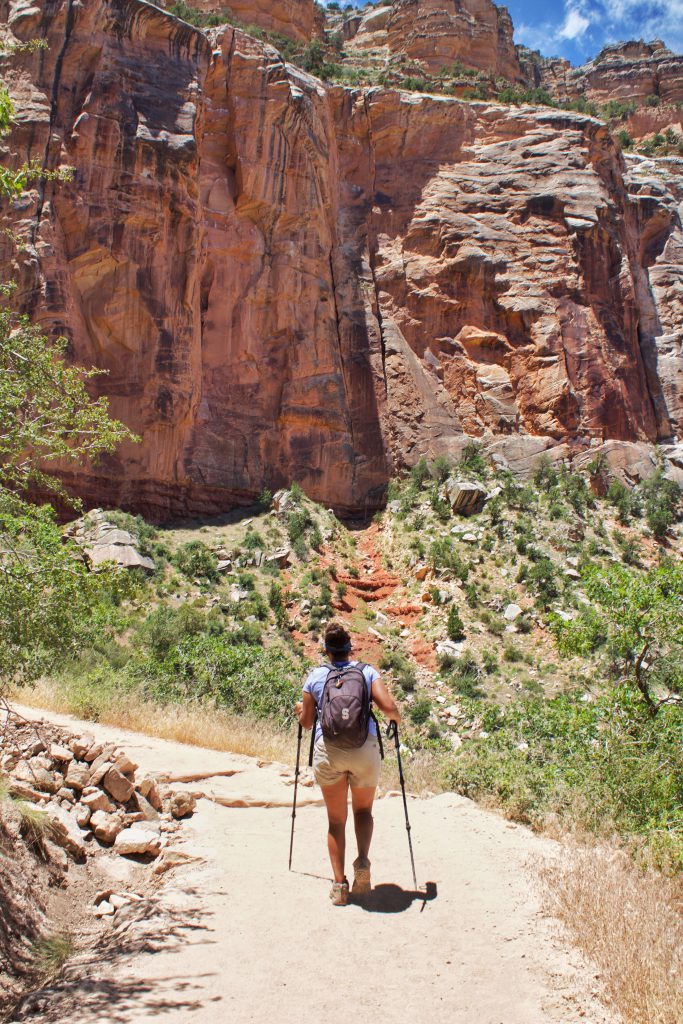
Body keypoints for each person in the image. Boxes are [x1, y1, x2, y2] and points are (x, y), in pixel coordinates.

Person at [294, 621, 400, 906]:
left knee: (336, 820)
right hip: (364, 749)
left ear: (326, 650)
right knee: (363, 810)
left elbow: (306, 723)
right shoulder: (366, 672)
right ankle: (362, 862)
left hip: (329, 751)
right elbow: (389, 708)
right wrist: (396, 718)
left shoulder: (316, 676)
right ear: (349, 647)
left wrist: (301, 710)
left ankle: (339, 886)